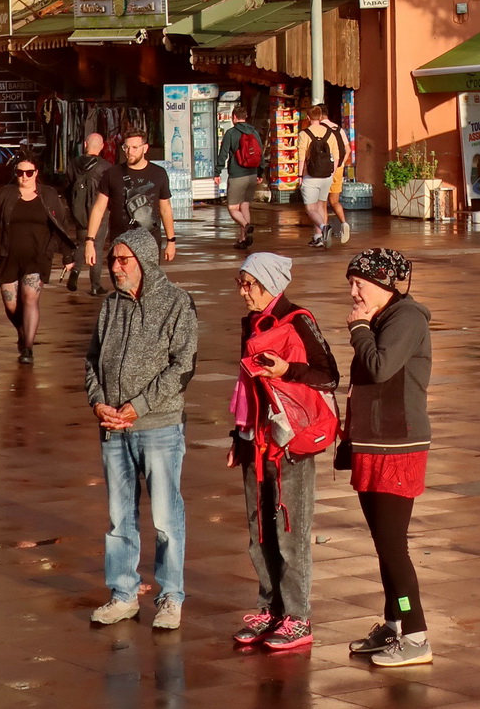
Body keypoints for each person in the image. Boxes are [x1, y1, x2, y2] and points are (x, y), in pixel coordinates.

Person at [85, 226, 199, 631]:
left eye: (123, 260)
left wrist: (139, 406)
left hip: (159, 427)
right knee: (119, 518)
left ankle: (171, 596)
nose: (115, 268)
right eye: (113, 259)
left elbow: (182, 365)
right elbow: (92, 359)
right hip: (113, 428)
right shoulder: (110, 305)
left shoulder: (176, 303)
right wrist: (98, 401)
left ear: (145, 261)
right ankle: (123, 592)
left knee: (166, 517)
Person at [227, 252, 339, 652]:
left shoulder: (299, 319)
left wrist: (286, 371)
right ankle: (270, 608)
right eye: (240, 283)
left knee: (290, 531)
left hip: (292, 441)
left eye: (249, 284)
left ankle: (297, 616)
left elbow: (330, 375)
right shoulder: (252, 323)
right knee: (259, 532)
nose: (243, 292)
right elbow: (247, 389)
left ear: (270, 284)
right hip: (256, 438)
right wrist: (237, 437)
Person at [340, 248, 433, 668]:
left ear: (384, 284)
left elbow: (379, 367)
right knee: (382, 544)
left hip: (398, 445)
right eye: (351, 285)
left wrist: (358, 329)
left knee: (393, 546)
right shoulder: (381, 318)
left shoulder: (407, 318)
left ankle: (416, 635)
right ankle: (393, 625)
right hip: (371, 443)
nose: (353, 293)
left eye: (359, 285)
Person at [0, 154, 77, 364]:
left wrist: (68, 255)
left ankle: (27, 348)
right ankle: (23, 330)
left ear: (36, 173)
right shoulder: (5, 195)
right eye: (20, 172)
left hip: (38, 256)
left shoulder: (48, 195)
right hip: (8, 255)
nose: (24, 177)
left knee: (29, 297)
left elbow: (60, 225)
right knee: (11, 305)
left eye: (29, 173)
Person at [85, 130, 175, 279]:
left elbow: (165, 209)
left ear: (145, 148)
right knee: (122, 285)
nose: (129, 152)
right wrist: (90, 241)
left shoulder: (159, 174)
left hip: (149, 240)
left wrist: (171, 241)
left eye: (134, 148)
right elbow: (98, 209)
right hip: (120, 240)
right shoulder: (112, 174)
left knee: (148, 286)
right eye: (126, 147)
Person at [65, 131, 111, 294]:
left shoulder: (73, 163)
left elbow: (67, 187)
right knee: (96, 246)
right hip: (98, 212)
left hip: (79, 211)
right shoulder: (105, 167)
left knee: (81, 243)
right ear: (102, 147)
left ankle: (75, 271)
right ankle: (95, 285)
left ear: (85, 145)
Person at [297, 104, 350, 248]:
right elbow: (337, 155)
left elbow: (301, 157)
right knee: (321, 205)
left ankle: (323, 227)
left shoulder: (304, 134)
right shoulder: (331, 134)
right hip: (327, 176)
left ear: (308, 118)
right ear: (320, 117)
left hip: (310, 175)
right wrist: (332, 172)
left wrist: (300, 175)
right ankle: (318, 236)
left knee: (310, 209)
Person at [216, 104, 263, 251]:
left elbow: (223, 154)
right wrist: (260, 173)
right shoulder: (254, 132)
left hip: (237, 174)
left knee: (232, 208)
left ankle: (246, 226)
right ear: (245, 117)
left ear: (234, 117)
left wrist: (217, 172)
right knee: (244, 206)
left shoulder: (231, 133)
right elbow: (260, 153)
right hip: (252, 173)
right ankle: (243, 239)